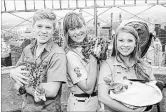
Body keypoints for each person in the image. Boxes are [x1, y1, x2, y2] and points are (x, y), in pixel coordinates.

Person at [10, 8, 67, 112]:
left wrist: (24, 87)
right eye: (39, 26)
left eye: (48, 27)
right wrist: (12, 73)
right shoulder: (27, 50)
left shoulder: (57, 54)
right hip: (27, 108)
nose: (43, 31)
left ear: (53, 30)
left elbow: (52, 90)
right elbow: (16, 80)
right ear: (33, 28)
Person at [98, 25, 156, 112]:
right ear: (116, 42)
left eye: (130, 41)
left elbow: (154, 93)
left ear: (135, 43)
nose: (125, 45)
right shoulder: (107, 65)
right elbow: (102, 97)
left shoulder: (145, 66)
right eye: (121, 40)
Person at [63, 12, 98, 111]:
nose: (77, 32)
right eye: (72, 29)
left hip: (94, 102)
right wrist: (94, 58)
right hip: (81, 104)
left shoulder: (87, 48)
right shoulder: (71, 55)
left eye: (79, 27)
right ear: (67, 33)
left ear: (85, 27)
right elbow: (88, 88)